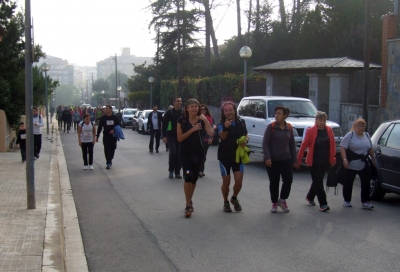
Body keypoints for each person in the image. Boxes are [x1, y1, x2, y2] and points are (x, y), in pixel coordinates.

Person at [177, 99, 214, 217]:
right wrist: (192, 130)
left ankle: (190, 200)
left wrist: (205, 121)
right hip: (185, 154)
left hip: (198, 154)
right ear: (187, 108)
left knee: (194, 179)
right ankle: (188, 204)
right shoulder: (181, 121)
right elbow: (180, 138)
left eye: (196, 107)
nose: (194, 108)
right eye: (192, 106)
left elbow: (211, 133)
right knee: (188, 176)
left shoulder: (202, 121)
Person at [297, 112, 336, 212]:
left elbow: (332, 146)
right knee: (319, 182)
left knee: (317, 180)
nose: (322, 122)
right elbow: (304, 145)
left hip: (324, 160)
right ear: (316, 120)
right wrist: (299, 158)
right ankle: (323, 204)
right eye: (320, 120)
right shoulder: (311, 131)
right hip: (314, 161)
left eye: (324, 120)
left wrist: (333, 158)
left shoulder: (329, 130)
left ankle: (310, 197)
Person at [262, 106, 297, 213]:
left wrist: (294, 159)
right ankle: (274, 202)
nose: (276, 115)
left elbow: (292, 144)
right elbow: (265, 143)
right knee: (274, 181)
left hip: (286, 159)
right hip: (272, 160)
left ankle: (282, 199)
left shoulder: (289, 128)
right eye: (276, 113)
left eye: (279, 113)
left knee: (288, 180)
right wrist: (267, 157)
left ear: (285, 115)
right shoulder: (271, 127)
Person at [217, 101, 248, 212]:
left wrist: (246, 140)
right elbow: (222, 137)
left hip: (237, 156)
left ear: (234, 110)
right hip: (224, 157)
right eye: (226, 110)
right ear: (223, 113)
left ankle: (234, 198)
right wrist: (225, 128)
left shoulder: (241, 122)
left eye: (231, 110)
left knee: (239, 181)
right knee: (226, 182)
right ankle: (225, 201)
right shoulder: (221, 124)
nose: (229, 112)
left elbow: (246, 134)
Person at [339, 118, 376, 209]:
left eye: (363, 126)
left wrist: (374, 159)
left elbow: (370, 149)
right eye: (359, 126)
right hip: (351, 163)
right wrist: (344, 160)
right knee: (348, 182)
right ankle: (347, 200)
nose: (361, 128)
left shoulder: (367, 135)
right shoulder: (350, 135)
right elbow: (342, 147)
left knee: (366, 183)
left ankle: (365, 202)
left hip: (363, 163)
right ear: (354, 127)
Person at [162, 97, 184, 179]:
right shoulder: (169, 113)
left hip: (180, 137)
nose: (179, 102)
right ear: (174, 102)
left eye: (180, 101)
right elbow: (164, 125)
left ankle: (177, 172)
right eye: (177, 101)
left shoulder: (183, 113)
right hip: (171, 136)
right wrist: (164, 136)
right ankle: (171, 170)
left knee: (179, 154)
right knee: (173, 153)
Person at [96, 105, 120, 169]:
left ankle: (110, 159)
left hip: (113, 136)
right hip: (106, 136)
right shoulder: (103, 118)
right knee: (107, 149)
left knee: (112, 149)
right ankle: (108, 162)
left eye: (107, 108)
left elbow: (118, 126)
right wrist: (97, 136)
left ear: (110, 110)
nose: (106, 110)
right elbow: (100, 127)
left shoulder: (115, 117)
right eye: (105, 108)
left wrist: (113, 130)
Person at [199, 104, 215, 177]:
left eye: (204, 109)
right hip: (198, 139)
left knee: (203, 155)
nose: (203, 111)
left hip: (206, 139)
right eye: (201, 109)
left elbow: (212, 128)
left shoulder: (210, 118)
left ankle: (201, 170)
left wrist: (210, 138)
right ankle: (197, 169)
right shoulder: (197, 118)